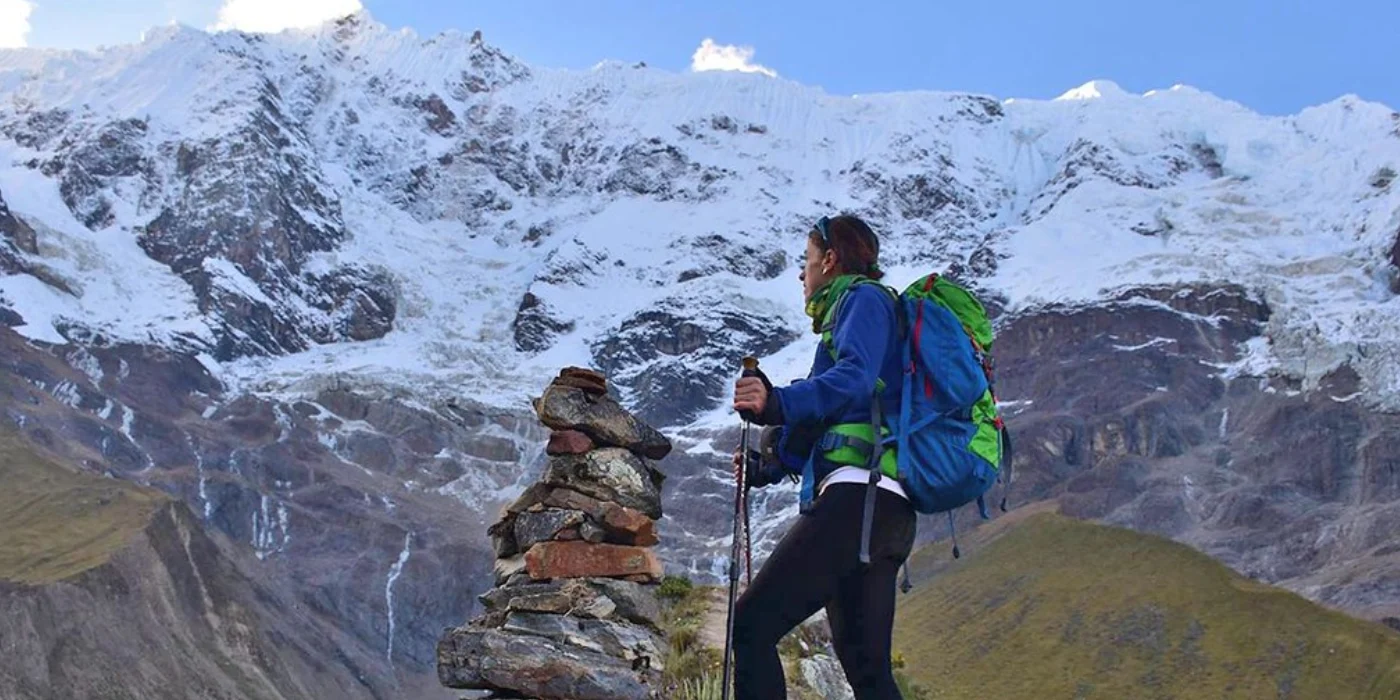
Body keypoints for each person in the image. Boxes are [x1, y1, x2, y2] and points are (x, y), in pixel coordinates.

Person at [729, 213, 916, 699]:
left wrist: (776, 403)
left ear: (830, 260)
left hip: (856, 502)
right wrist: (768, 467)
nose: (801, 273)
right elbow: (823, 420)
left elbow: (853, 379)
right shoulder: (853, 314)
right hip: (884, 512)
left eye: (807, 261)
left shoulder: (862, 300)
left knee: (750, 625)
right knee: (868, 671)